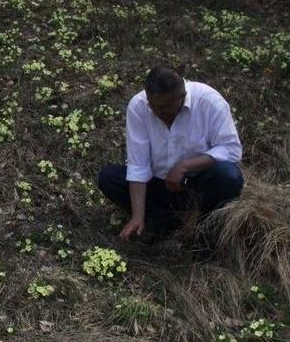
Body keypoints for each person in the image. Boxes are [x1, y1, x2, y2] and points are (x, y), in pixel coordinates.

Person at [97, 65, 244, 245]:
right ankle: (161, 221)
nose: (158, 113)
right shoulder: (139, 105)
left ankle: (205, 229)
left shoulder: (209, 101)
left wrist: (185, 166)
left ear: (181, 97)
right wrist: (137, 215)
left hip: (198, 186)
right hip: (159, 186)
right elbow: (138, 165)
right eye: (153, 106)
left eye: (165, 108)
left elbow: (231, 149)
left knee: (229, 176)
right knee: (109, 177)